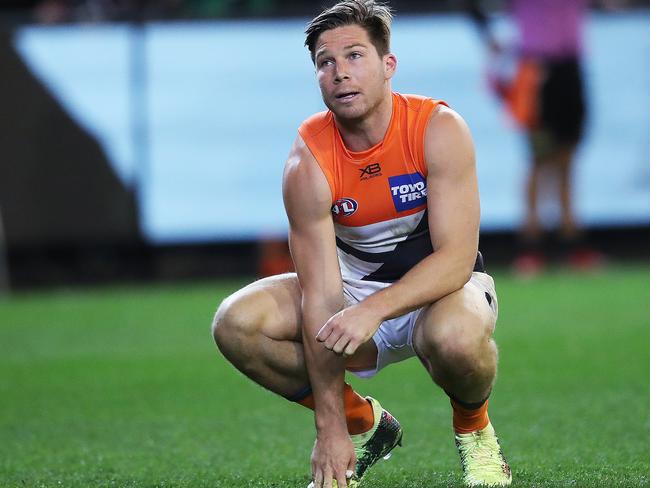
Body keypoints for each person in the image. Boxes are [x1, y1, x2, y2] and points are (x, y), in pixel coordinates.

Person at [212, 1, 511, 486]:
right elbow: (321, 295)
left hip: (441, 291)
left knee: (455, 340)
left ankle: (475, 433)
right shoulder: (307, 159)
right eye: (325, 63)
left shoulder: (437, 128)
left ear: (388, 65)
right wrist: (329, 425)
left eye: (354, 56)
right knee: (236, 323)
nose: (340, 74)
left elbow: (456, 259)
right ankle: (366, 426)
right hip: (350, 295)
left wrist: (375, 310)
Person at [467, 0, 602, 276]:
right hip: (536, 74)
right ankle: (531, 247)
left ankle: (573, 243)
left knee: (566, 159)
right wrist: (489, 38)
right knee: (538, 160)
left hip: (571, 69)